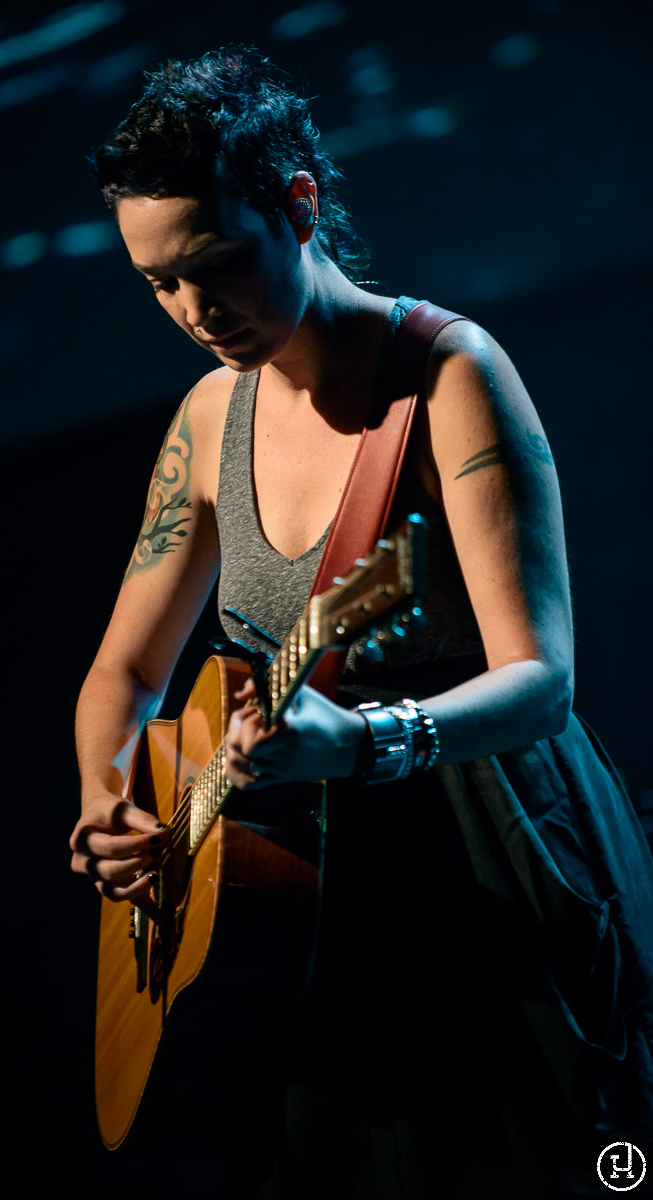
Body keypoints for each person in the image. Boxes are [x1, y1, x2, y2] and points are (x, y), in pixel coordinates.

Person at [69, 46, 653, 1199]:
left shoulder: (451, 377)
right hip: (311, 897)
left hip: (492, 855)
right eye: (158, 285)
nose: (194, 311)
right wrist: (108, 804)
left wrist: (370, 740)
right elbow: (122, 672)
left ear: (300, 204)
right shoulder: (205, 416)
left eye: (218, 265)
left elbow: (542, 680)